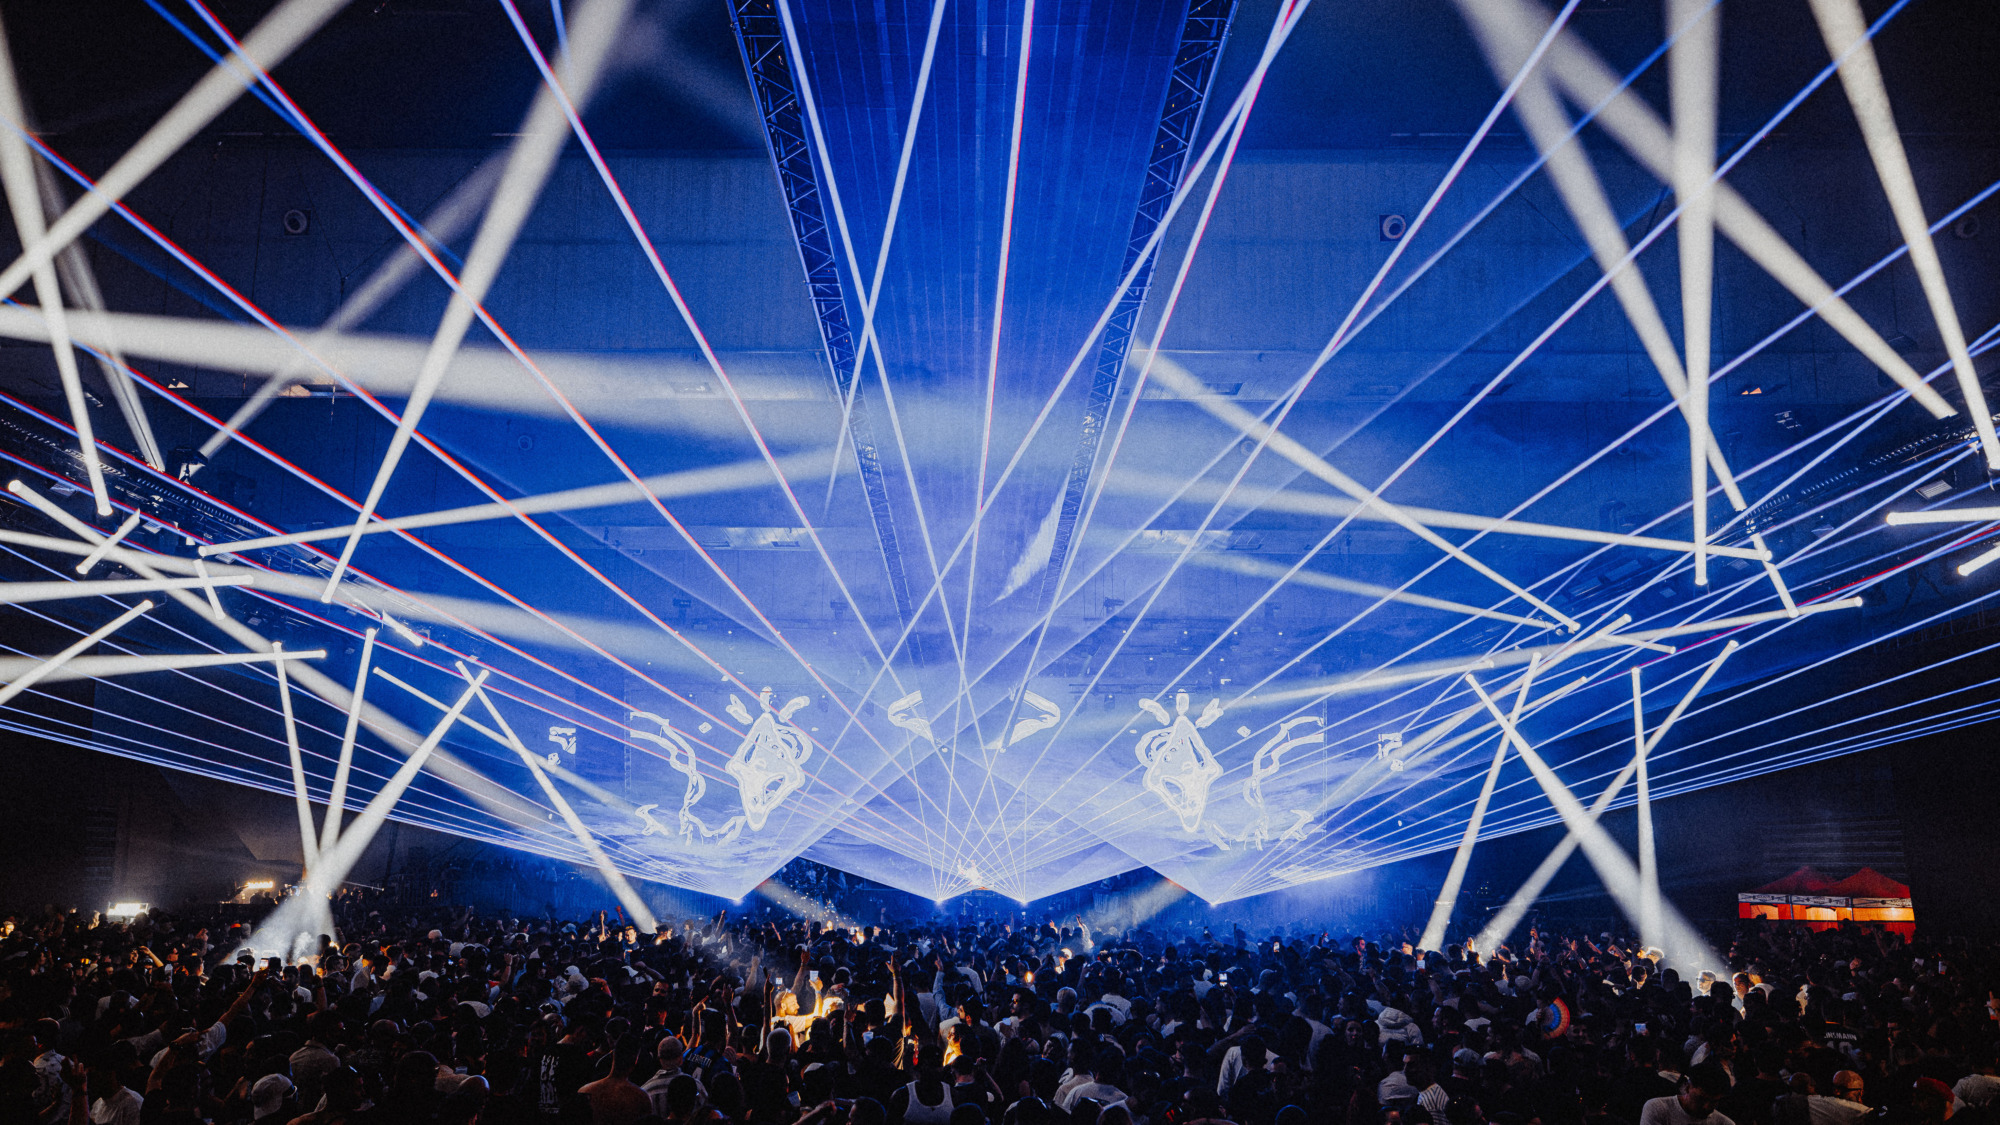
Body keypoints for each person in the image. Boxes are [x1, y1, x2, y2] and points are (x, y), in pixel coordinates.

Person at [1641, 1063, 1737, 1125]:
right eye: (1700, 1099)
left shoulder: (1724, 1123)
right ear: (1687, 1088)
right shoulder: (1658, 1109)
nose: (1706, 1106)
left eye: (1714, 1102)